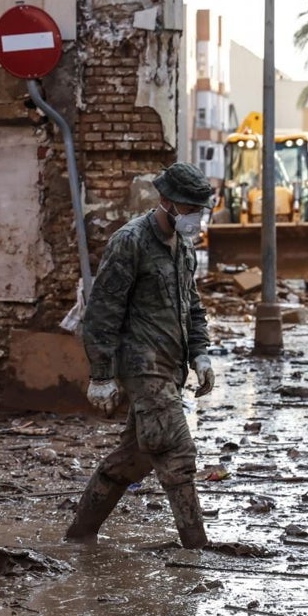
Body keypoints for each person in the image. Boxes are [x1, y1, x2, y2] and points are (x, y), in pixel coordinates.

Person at [66, 162, 216, 549]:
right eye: (189, 208)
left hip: (171, 367)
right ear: (165, 201)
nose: (195, 217)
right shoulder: (129, 241)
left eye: (200, 209)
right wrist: (101, 375)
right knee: (176, 452)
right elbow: (102, 311)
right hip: (141, 365)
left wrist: (200, 354)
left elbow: (192, 306)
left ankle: (80, 536)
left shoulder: (184, 247)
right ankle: (197, 549)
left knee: (134, 458)